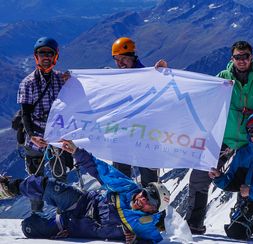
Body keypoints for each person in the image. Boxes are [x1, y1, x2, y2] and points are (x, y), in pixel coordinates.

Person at [186, 40, 253, 234]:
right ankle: (194, 223)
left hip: (250, 142)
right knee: (201, 175)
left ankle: (244, 220)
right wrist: (165, 74)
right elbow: (199, 90)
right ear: (232, 59)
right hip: (225, 139)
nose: (242, 60)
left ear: (251, 57)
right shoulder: (222, 79)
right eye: (238, 57)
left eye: (245, 56)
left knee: (248, 180)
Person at [0, 140, 171, 243]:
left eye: (150, 201)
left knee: (29, 227)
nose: (143, 198)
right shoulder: (128, 188)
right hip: (81, 202)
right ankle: (8, 188)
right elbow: (101, 170)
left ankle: (41, 219)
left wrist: (136, 242)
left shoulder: (146, 225)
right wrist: (76, 152)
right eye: (146, 193)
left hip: (70, 226)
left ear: (155, 209)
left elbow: (151, 241)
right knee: (48, 186)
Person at [17, 37, 74, 213]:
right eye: (42, 53)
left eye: (49, 53)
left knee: (60, 179)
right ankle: (36, 216)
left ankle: (61, 217)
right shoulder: (28, 83)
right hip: (36, 137)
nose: (46, 57)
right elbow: (25, 114)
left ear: (55, 56)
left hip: (56, 137)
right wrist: (32, 134)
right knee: (36, 180)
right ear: (36, 57)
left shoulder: (61, 79)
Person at [111, 37, 167, 187]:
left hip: (145, 136)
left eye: (123, 59)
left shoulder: (149, 76)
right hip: (123, 134)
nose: (120, 63)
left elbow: (167, 93)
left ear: (132, 57)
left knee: (149, 183)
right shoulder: (113, 79)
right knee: (121, 179)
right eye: (117, 59)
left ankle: (151, 209)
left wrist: (163, 74)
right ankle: (123, 208)